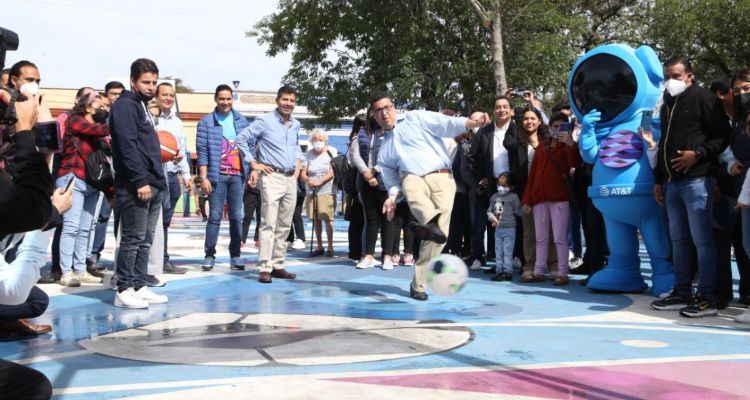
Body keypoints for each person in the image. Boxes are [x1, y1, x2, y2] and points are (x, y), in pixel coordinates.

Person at [374, 92, 490, 300]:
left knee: (438, 238)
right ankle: (427, 219)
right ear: (373, 115)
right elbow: (392, 182)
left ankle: (418, 283)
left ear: (394, 107)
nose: (384, 113)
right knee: (410, 183)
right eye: (378, 110)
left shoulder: (415, 118)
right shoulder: (384, 151)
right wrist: (392, 198)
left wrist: (470, 122)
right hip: (412, 177)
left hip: (442, 177)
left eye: (387, 107)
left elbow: (444, 123)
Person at [650, 58, 730, 318]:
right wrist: (658, 179)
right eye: (667, 76)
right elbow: (663, 143)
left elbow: (721, 136)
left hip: (698, 180)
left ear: (689, 76)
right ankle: (681, 291)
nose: (670, 80)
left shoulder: (704, 98)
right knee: (679, 241)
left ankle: (706, 296)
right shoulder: (668, 102)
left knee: (703, 241)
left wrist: (697, 155)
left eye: (676, 75)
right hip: (673, 183)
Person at [109, 58, 169, 308]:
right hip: (136, 184)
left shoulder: (142, 106)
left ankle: (138, 284)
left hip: (154, 183)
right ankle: (123, 289)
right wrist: (140, 181)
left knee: (146, 239)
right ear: (132, 81)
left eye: (154, 82)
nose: (151, 87)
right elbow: (127, 146)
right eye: (146, 82)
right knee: (132, 239)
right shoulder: (125, 106)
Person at [236, 85, 301, 284]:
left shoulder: (296, 124)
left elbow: (296, 146)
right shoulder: (264, 121)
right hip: (271, 177)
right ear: (277, 100)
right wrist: (253, 163)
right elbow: (241, 139)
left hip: (290, 178)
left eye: (291, 100)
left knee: (284, 225)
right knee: (268, 223)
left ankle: (278, 264)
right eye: (285, 100)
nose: (288, 103)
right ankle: (264, 267)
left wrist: (298, 168)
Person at [520, 111, 581, 286]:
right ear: (549, 127)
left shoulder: (568, 145)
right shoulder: (541, 147)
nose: (557, 129)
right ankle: (539, 270)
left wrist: (570, 144)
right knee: (540, 237)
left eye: (562, 126)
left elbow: (575, 164)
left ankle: (562, 272)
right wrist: (527, 199)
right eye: (554, 126)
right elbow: (533, 175)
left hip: (559, 197)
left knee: (560, 238)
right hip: (539, 198)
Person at [55, 93, 109, 287]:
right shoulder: (75, 120)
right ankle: (66, 272)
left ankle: (80, 269)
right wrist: (120, 124)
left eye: (106, 106)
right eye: (100, 105)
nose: (104, 109)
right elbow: (95, 130)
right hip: (72, 178)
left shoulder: (97, 132)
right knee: (71, 227)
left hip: (91, 183)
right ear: (87, 107)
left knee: (86, 229)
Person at [195, 84, 250, 271]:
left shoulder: (242, 120)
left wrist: (253, 170)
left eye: (228, 98)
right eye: (222, 99)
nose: (225, 102)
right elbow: (202, 151)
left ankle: (236, 255)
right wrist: (203, 177)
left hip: (238, 176)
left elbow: (249, 148)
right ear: (216, 99)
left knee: (236, 217)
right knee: (215, 217)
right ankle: (209, 255)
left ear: (232, 99)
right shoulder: (206, 122)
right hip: (216, 176)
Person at [507, 107, 559, 280]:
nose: (529, 121)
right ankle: (529, 265)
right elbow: (507, 142)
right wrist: (514, 117)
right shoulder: (517, 141)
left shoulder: (548, 140)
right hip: (526, 193)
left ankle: (553, 265)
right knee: (529, 231)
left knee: (550, 230)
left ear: (539, 121)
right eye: (526, 119)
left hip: (547, 191)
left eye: (533, 118)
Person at [468, 97, 515, 270]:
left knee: (505, 222)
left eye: (505, 107)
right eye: (498, 107)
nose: (501, 110)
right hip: (489, 185)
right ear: (493, 111)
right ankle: (478, 257)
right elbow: (472, 157)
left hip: (509, 187)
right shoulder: (484, 132)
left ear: (510, 110)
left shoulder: (516, 130)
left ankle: (512, 257)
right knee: (481, 221)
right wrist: (481, 177)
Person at [349, 109, 395, 269]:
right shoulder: (362, 132)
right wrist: (366, 173)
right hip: (365, 182)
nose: (378, 116)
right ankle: (367, 255)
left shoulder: (391, 132)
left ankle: (387, 256)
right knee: (370, 221)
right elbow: (355, 155)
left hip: (386, 182)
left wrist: (374, 171)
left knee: (388, 220)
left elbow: (391, 155)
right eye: (373, 113)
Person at [155, 82, 190, 274]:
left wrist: (185, 174)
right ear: (157, 96)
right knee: (152, 221)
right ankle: (150, 261)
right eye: (164, 94)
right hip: (155, 177)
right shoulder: (150, 118)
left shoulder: (177, 122)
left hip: (172, 176)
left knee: (165, 222)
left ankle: (163, 260)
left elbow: (181, 149)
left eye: (171, 95)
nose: (168, 98)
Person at [731, 68, 750, 323]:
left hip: (747, 190)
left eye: (746, 88)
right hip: (744, 188)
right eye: (738, 91)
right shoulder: (740, 120)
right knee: (746, 246)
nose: (742, 94)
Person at [302, 129, 337, 256]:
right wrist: (308, 180)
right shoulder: (308, 154)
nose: (318, 142)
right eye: (315, 139)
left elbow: (332, 172)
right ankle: (319, 246)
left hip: (327, 190)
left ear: (325, 141)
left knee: (328, 218)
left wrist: (319, 181)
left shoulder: (330, 151)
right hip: (311, 190)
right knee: (316, 219)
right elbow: (303, 173)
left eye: (320, 140)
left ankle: (330, 247)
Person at [487, 172, 522, 281]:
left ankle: (508, 272)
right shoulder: (494, 197)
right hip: (498, 229)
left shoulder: (514, 197)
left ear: (511, 187)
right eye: (499, 185)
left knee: (507, 251)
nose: (501, 188)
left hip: (510, 228)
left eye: (504, 186)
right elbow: (489, 211)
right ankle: (499, 271)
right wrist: (491, 217)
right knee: (498, 251)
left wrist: (525, 210)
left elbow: (518, 212)